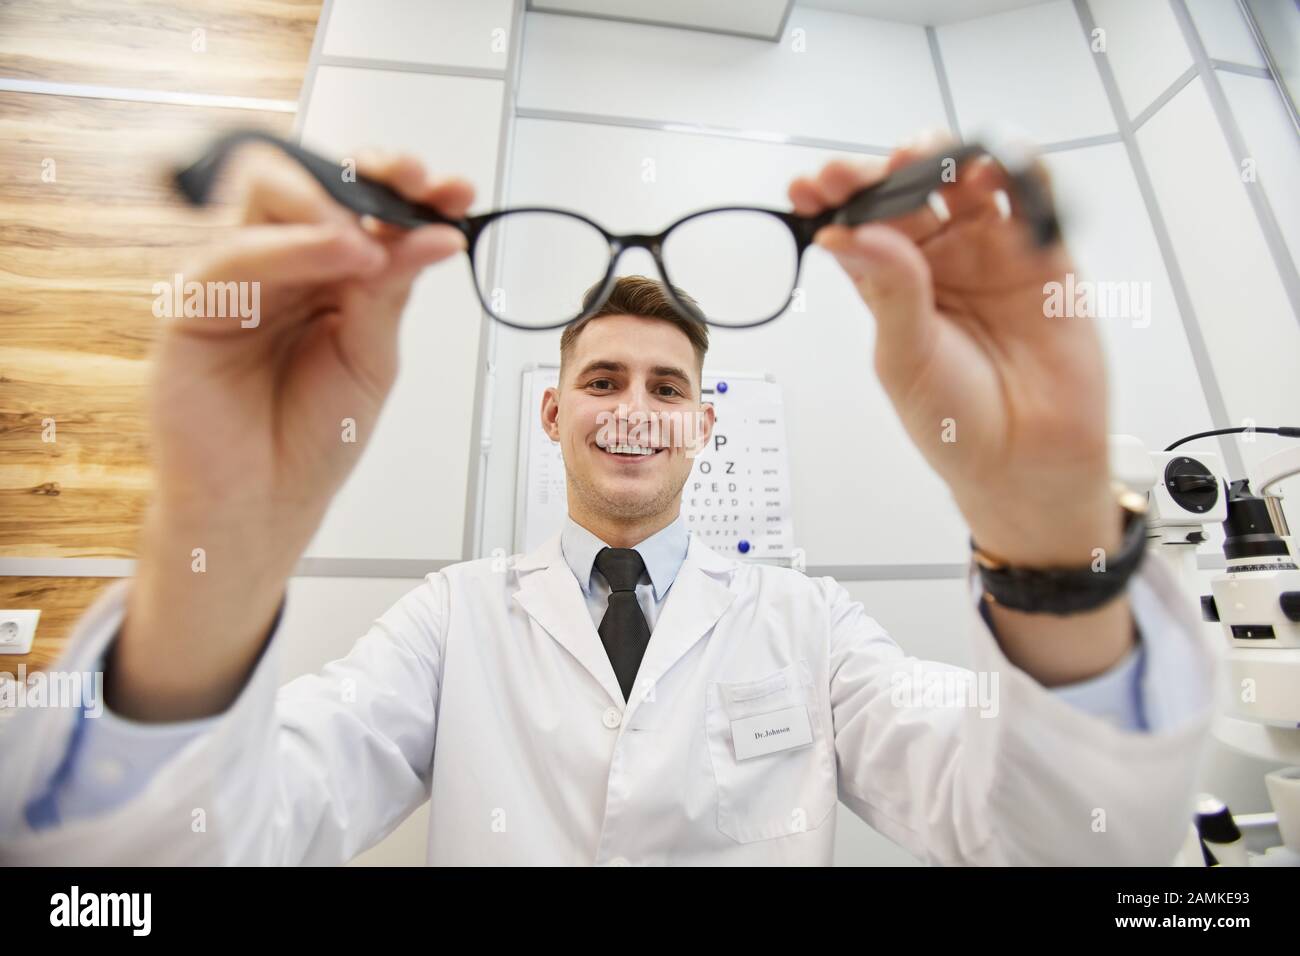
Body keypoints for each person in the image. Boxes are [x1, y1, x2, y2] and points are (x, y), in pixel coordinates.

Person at [0, 134, 1214, 865]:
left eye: (666, 386)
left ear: (703, 421)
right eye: (601, 379)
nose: (634, 405)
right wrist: (216, 542)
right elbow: (168, 862)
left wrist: (1053, 529)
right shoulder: (450, 619)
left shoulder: (812, 623)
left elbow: (1059, 841)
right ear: (554, 412)